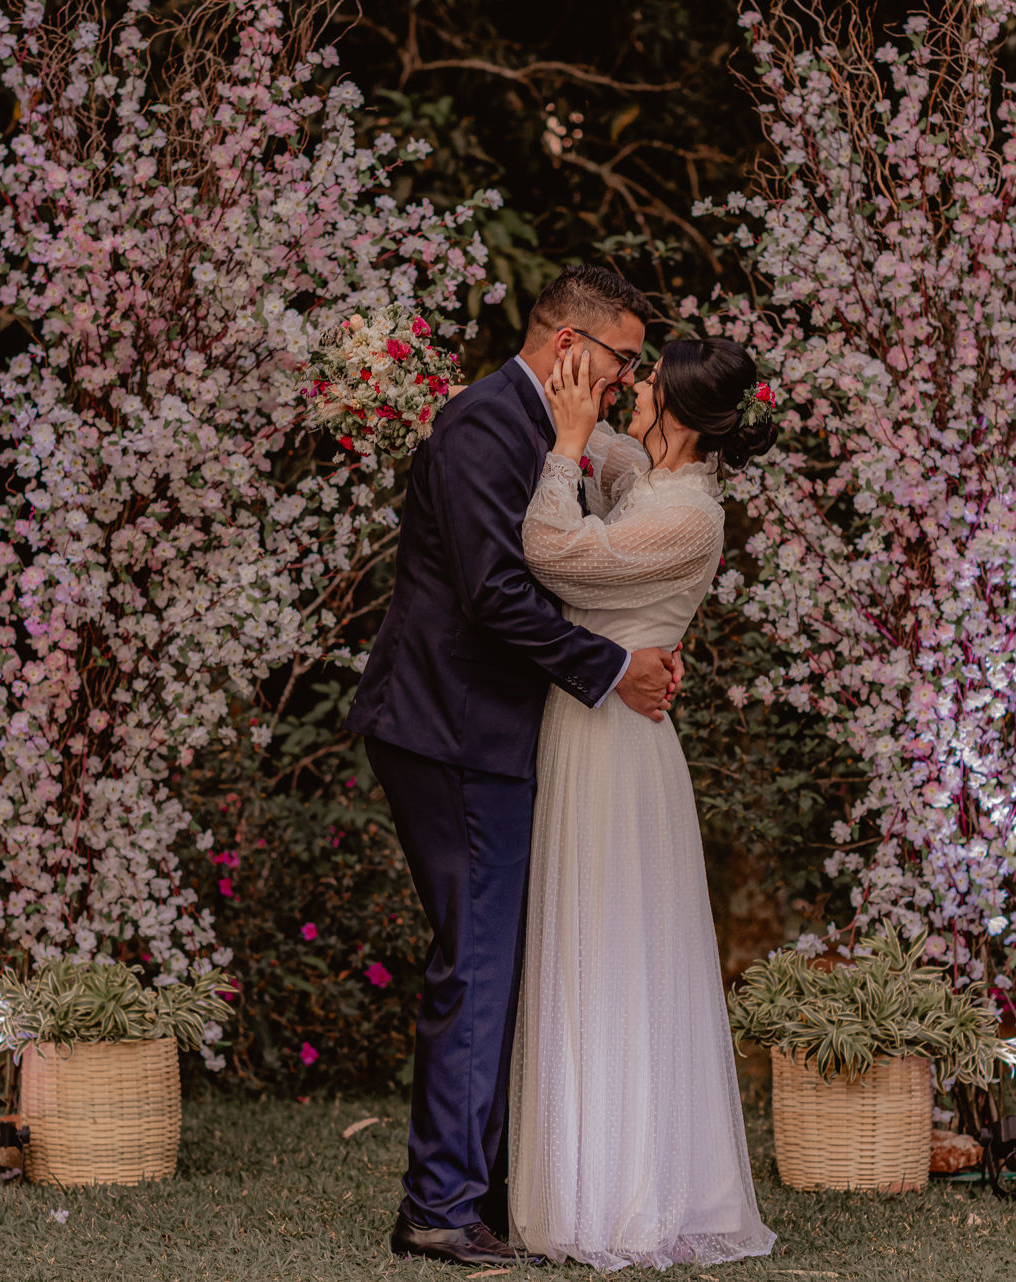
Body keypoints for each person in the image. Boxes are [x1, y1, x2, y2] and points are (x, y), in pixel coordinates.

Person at [346, 265, 685, 1268]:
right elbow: (494, 593)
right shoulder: (482, 426)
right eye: (624, 357)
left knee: (494, 957)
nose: (629, 378)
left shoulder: (547, 428)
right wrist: (614, 666)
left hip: (493, 731)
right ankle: (438, 1210)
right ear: (569, 342)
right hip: (451, 731)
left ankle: (476, 1191)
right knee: (478, 961)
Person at [507, 338, 780, 1270]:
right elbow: (618, 457)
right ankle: (580, 1179)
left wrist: (565, 442)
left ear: (686, 416)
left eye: (647, 384)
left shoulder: (690, 518)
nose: (633, 389)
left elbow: (553, 552)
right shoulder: (650, 475)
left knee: (617, 947)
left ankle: (628, 1193)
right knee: (579, 937)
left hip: (621, 751)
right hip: (585, 723)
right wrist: (577, 411)